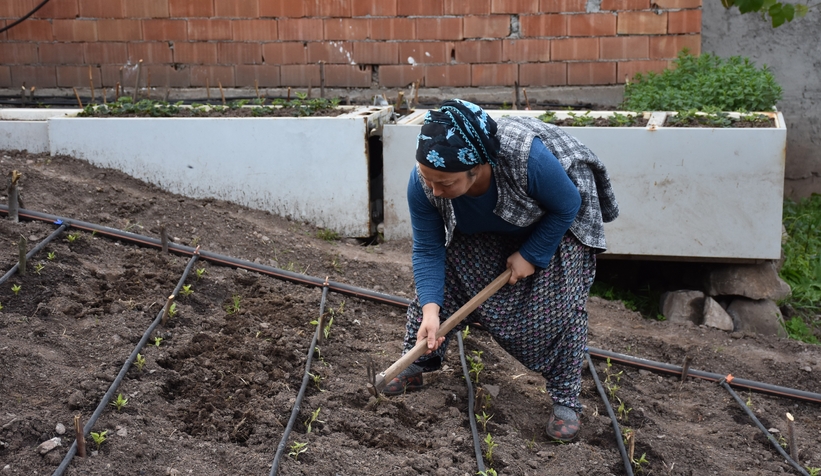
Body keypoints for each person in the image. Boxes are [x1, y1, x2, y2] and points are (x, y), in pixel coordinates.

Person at [383, 99, 619, 442]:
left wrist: (532, 253)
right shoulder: (425, 184)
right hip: (486, 225)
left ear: (477, 168)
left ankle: (566, 400)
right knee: (441, 286)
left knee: (559, 309)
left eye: (445, 183)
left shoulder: (526, 159)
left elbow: (568, 203)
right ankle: (417, 361)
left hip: (555, 219)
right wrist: (431, 311)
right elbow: (428, 249)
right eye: (427, 179)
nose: (435, 190)